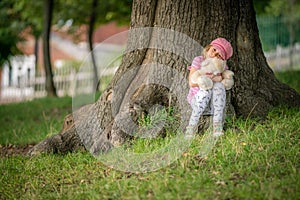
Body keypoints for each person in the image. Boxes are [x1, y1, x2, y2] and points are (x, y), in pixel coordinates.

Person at [186, 37, 233, 138]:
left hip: (214, 103)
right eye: (214, 49)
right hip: (198, 100)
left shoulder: (221, 67)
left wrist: (219, 78)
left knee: (220, 86)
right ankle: (191, 127)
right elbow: (191, 83)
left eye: (219, 55)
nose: (214, 54)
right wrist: (208, 79)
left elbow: (222, 78)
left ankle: (217, 125)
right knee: (206, 90)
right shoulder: (199, 60)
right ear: (209, 48)